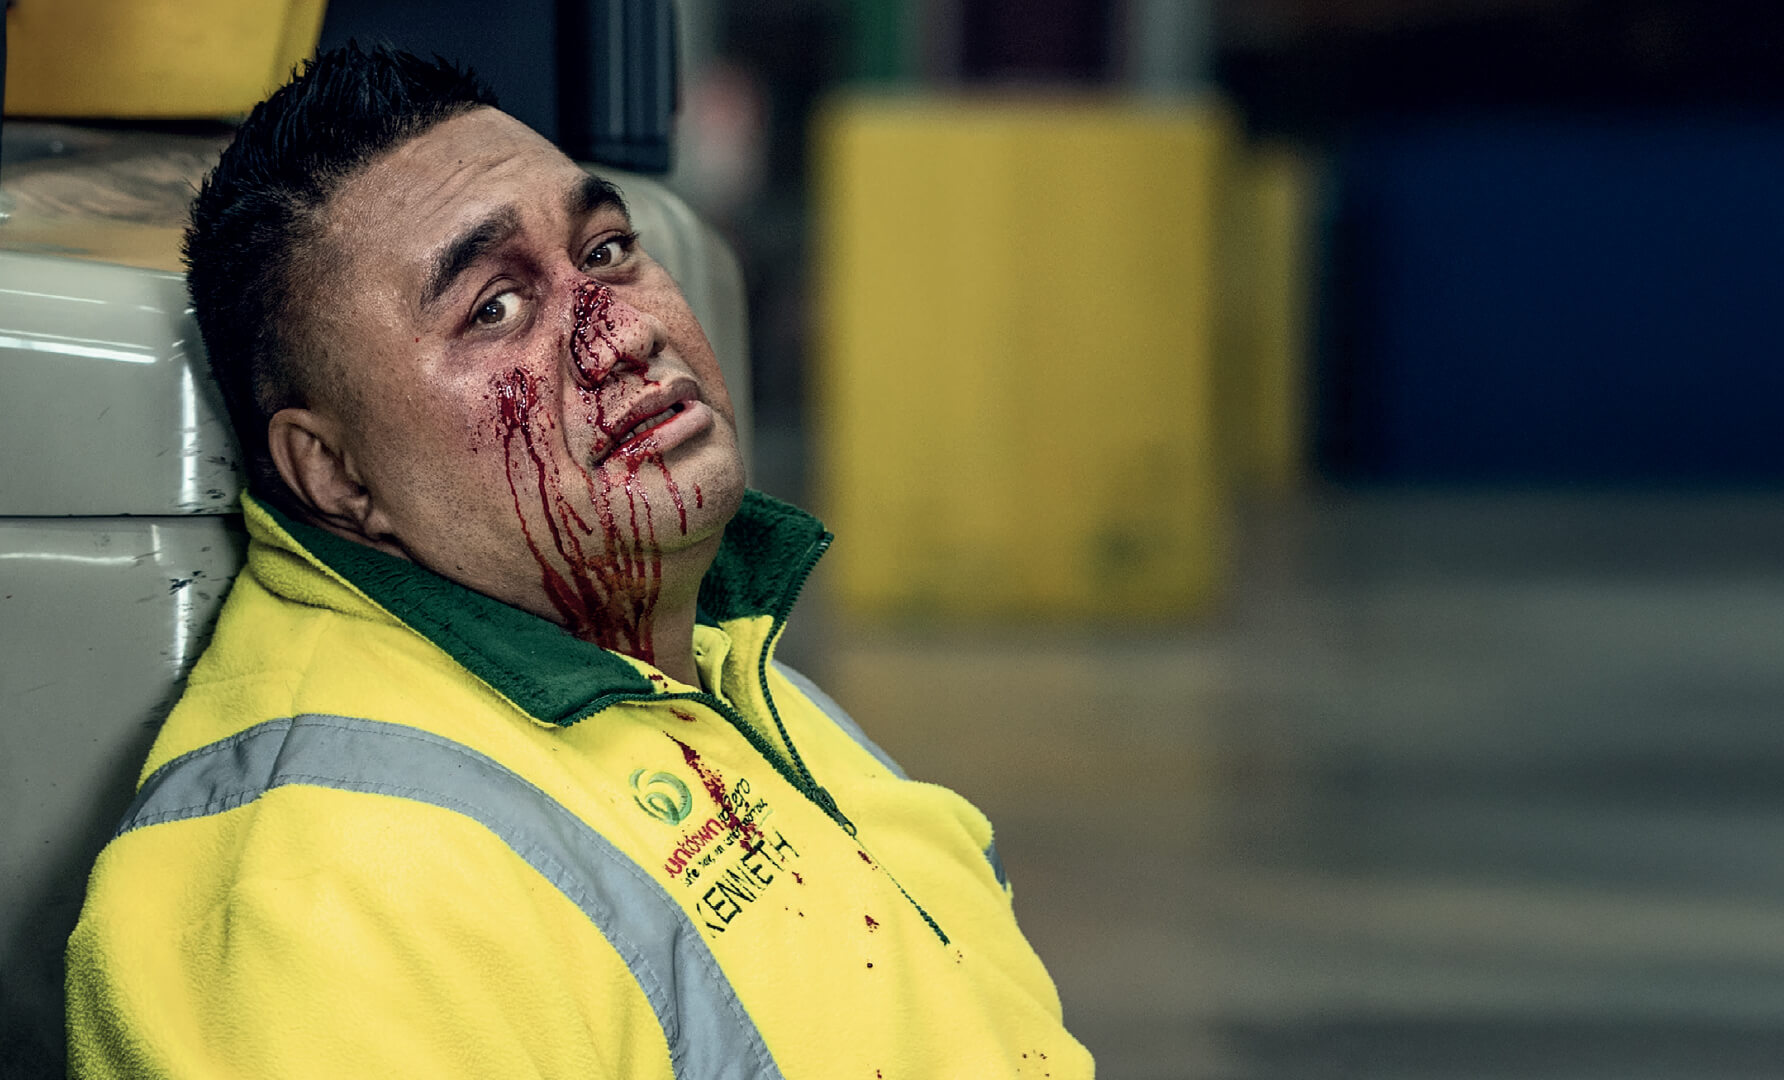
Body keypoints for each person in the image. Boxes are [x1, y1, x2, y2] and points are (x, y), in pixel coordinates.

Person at [64, 44, 1092, 1079]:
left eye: (605, 251)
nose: (621, 332)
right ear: (333, 473)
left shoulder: (725, 662)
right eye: (494, 308)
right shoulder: (317, 900)